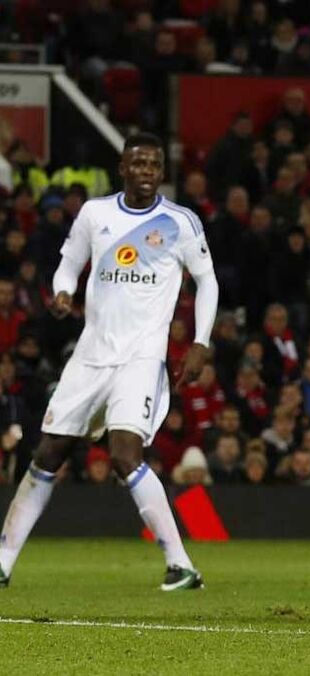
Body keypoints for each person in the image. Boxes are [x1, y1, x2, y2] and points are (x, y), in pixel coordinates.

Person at [0, 132, 216, 591]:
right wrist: (63, 291)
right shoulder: (94, 214)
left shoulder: (180, 222)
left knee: (124, 454)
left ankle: (180, 564)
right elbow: (68, 264)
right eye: (137, 163)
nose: (145, 171)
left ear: (162, 171)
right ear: (123, 168)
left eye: (153, 164)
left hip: (142, 357)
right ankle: (2, 561)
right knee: (49, 452)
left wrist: (200, 342)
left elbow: (207, 282)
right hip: (91, 355)